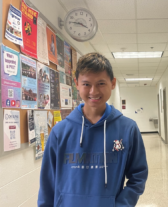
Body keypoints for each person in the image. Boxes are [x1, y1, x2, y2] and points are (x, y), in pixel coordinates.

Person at [38, 53, 148, 207]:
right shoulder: (59, 132)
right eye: (86, 84)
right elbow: (47, 183)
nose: (93, 91)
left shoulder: (128, 129)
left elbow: (138, 176)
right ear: (76, 84)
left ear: (113, 83)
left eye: (101, 83)